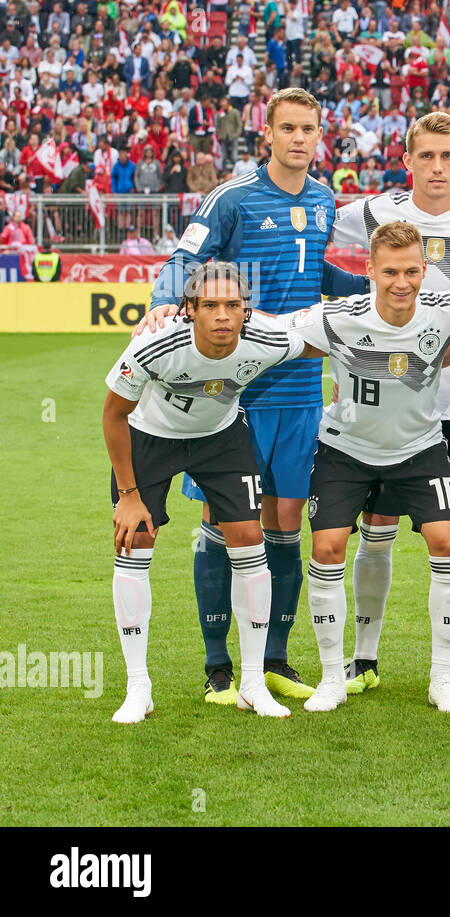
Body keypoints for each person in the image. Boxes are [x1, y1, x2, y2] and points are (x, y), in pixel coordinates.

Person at [146, 88, 368, 705]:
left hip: (300, 387)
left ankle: (274, 657)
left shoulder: (324, 199)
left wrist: (375, 286)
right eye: (288, 128)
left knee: (285, 524)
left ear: (321, 135)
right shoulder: (234, 199)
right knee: (226, 522)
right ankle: (218, 666)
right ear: (266, 134)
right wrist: (168, 300)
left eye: (310, 129)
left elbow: (316, 271)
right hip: (237, 387)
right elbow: (185, 257)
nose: (300, 139)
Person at [331, 112, 450, 697]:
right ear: (408, 159)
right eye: (426, 157)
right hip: (388, 400)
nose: (437, 167)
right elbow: (307, 234)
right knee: (379, 524)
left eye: (448, 156)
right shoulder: (372, 212)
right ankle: (364, 657)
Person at [283, 221, 450, 713]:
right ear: (369, 270)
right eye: (390, 271)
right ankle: (332, 677)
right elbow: (274, 331)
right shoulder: (339, 316)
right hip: (345, 450)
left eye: (412, 271)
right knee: (328, 547)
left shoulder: (449, 309)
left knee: (448, 542)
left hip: (419, 449)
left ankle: (441, 679)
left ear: (425, 270)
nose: (402, 282)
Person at [103, 263, 305, 723]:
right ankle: (139, 687)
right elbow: (113, 416)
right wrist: (129, 494)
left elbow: (316, 336)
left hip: (220, 437)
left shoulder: (265, 339)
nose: (222, 315)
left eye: (232, 305)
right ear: (189, 309)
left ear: (245, 311)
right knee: (135, 543)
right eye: (209, 305)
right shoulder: (155, 343)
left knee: (250, 541)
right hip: (148, 439)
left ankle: (253, 684)